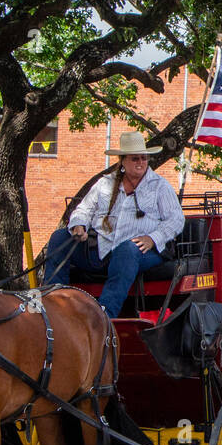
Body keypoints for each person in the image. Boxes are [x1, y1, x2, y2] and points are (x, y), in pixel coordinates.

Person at [42, 132, 184, 317]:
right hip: (103, 246)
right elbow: (83, 209)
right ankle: (53, 301)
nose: (140, 162)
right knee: (60, 237)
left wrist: (152, 238)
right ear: (122, 161)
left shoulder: (159, 186)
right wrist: (79, 226)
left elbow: (176, 220)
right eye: (135, 159)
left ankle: (104, 315)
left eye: (144, 158)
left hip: (143, 251)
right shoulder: (105, 183)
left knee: (127, 250)